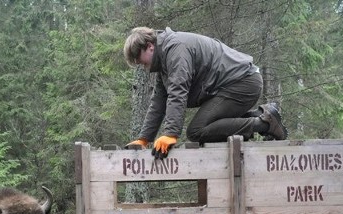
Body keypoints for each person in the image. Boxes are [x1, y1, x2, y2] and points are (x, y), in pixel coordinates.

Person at [123, 27, 288, 159]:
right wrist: (144, 138)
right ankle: (263, 115)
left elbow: (177, 92)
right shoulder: (165, 61)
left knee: (197, 130)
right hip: (233, 85)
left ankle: (265, 123)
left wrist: (170, 134)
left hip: (243, 83)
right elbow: (158, 102)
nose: (143, 66)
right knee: (204, 127)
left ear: (149, 46)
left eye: (140, 61)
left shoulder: (175, 50)